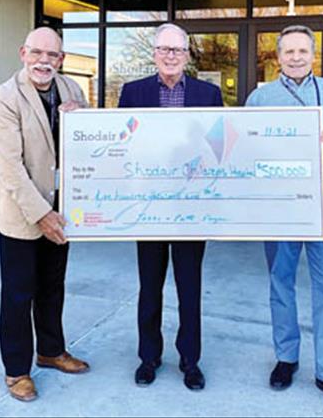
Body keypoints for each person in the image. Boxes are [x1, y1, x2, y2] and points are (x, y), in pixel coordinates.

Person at [246, 25, 323, 412]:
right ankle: (286, 358)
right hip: (277, 199)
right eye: (288, 51)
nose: (296, 57)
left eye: (302, 51)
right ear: (277, 56)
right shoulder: (260, 98)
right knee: (280, 279)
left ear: (313, 54)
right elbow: (243, 145)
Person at [118, 23, 223, 391]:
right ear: (154, 53)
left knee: (189, 288)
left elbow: (219, 149)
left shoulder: (209, 94)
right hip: (148, 208)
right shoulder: (133, 92)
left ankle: (190, 360)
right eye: (164, 49)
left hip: (191, 209)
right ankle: (149, 357)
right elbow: (122, 147)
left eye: (177, 50)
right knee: (149, 287)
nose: (170, 55)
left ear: (187, 54)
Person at [0, 27, 90, 402]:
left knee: (52, 287)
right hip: (22, 214)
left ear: (61, 59)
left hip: (62, 209)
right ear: (23, 53)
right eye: (38, 53)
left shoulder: (73, 91)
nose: (44, 61)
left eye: (53, 55)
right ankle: (16, 371)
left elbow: (89, 139)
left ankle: (50, 350)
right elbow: (10, 167)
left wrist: (82, 117)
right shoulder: (5, 97)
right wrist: (42, 213)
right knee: (17, 294)